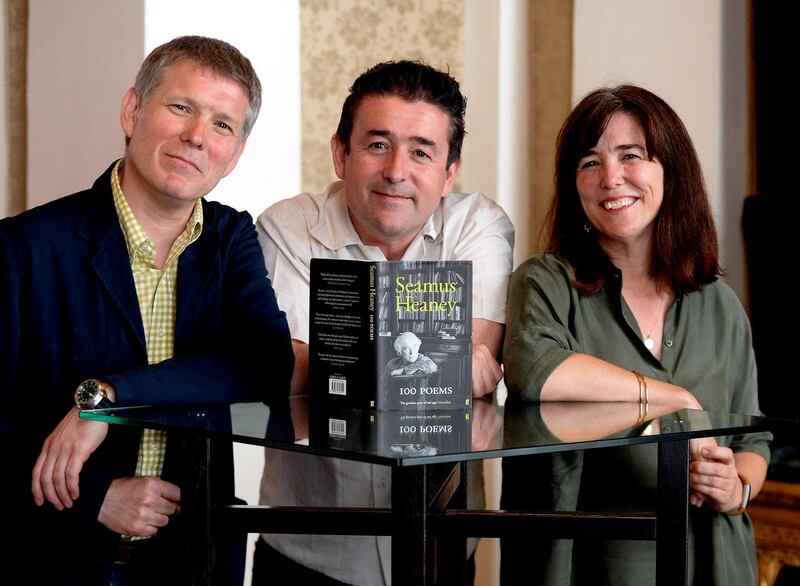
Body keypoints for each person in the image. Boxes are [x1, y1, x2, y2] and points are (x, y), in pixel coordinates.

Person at [0, 36, 293, 585]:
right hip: (58, 562)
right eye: (181, 107)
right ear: (132, 110)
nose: (196, 136)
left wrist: (111, 397)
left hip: (195, 564)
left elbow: (266, 365)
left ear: (235, 154)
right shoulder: (24, 248)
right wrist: (94, 498)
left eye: (222, 125)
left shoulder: (231, 238)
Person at [254, 60, 514, 585]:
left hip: (439, 548)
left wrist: (345, 359)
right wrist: (439, 363)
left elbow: (478, 362)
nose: (397, 170)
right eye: (377, 144)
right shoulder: (287, 227)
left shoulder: (479, 225)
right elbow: (295, 372)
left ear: (449, 172)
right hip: (308, 551)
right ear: (340, 155)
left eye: (422, 152)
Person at [502, 85, 771, 585]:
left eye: (631, 156)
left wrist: (736, 488)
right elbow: (534, 370)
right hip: (589, 566)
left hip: (713, 562)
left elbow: (753, 440)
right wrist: (672, 398)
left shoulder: (719, 304)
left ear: (671, 170)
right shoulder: (545, 282)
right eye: (589, 162)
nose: (610, 178)